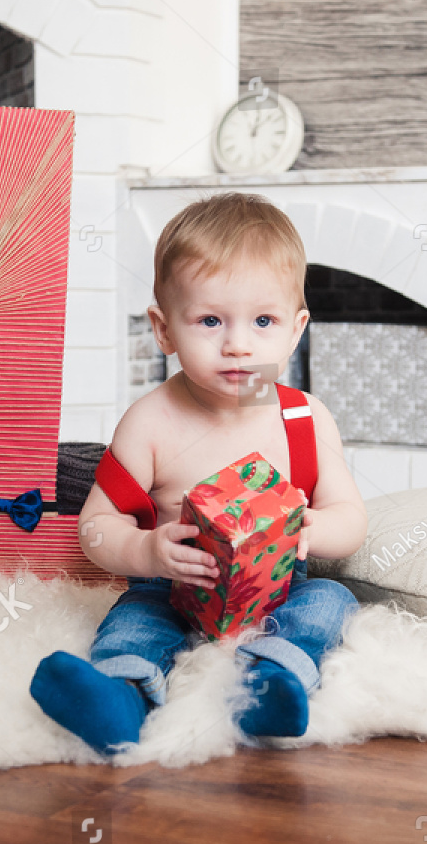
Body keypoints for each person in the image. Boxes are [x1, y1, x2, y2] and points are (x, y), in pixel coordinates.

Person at [29, 192, 369, 754]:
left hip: (279, 588)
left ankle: (269, 683)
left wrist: (309, 529)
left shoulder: (304, 419)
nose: (237, 345)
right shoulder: (149, 422)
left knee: (332, 599)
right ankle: (119, 696)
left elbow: (351, 519)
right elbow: (93, 527)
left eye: (263, 321)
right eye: (210, 320)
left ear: (295, 329)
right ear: (164, 330)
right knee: (136, 618)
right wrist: (149, 551)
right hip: (173, 586)